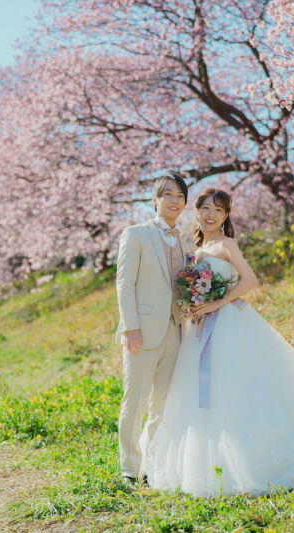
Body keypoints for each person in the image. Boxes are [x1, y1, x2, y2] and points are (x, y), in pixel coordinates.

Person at [139, 188, 294, 496]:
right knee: (199, 393)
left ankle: (254, 459)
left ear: (226, 216)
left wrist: (215, 303)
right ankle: (207, 461)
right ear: (197, 211)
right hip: (200, 328)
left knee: (237, 388)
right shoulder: (196, 246)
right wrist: (194, 304)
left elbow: (250, 280)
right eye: (205, 208)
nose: (210, 214)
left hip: (229, 325)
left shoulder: (226, 243)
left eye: (218, 211)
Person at [114, 172, 189, 485]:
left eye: (180, 196)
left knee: (162, 404)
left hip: (175, 331)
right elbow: (124, 283)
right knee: (135, 402)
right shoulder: (137, 234)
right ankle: (130, 468)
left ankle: (151, 464)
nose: (174, 201)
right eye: (168, 195)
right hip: (141, 332)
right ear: (155, 200)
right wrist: (130, 327)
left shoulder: (183, 241)